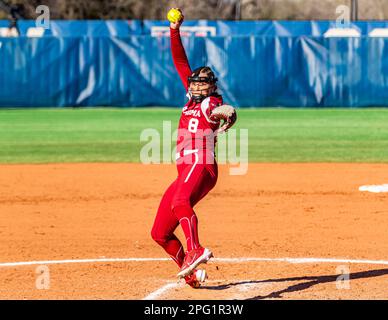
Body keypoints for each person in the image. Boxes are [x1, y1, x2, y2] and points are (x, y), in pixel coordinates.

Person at [151, 9, 237, 288]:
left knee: (179, 203)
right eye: (195, 83)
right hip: (186, 170)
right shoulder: (190, 99)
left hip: (201, 163)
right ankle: (189, 271)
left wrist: (228, 113)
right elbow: (179, 60)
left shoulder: (209, 103)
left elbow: (221, 109)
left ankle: (196, 249)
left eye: (203, 84)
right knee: (160, 233)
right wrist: (174, 30)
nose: (198, 87)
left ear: (211, 87)